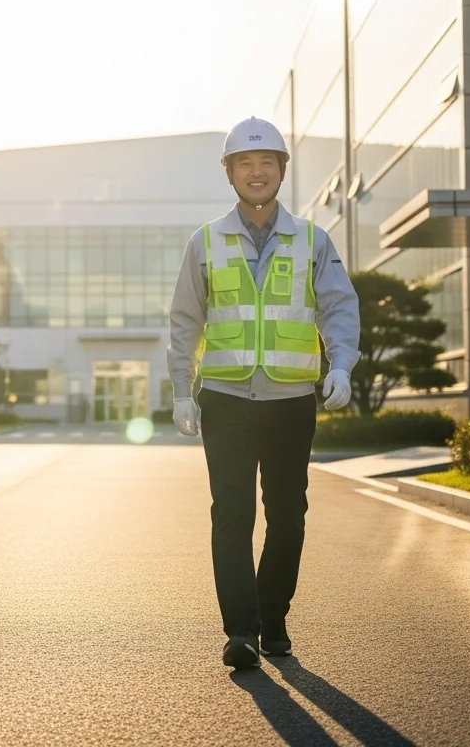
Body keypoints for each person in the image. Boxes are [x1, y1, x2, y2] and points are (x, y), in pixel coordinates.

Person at [167, 117, 360, 671]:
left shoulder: (312, 239)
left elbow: (339, 307)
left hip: (291, 399)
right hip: (225, 398)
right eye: (246, 163)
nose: (257, 172)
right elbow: (185, 321)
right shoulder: (204, 242)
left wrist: (341, 366)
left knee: (287, 513)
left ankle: (273, 616)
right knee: (231, 512)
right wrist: (183, 390)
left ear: (281, 172)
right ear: (230, 173)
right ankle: (243, 631)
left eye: (267, 163)